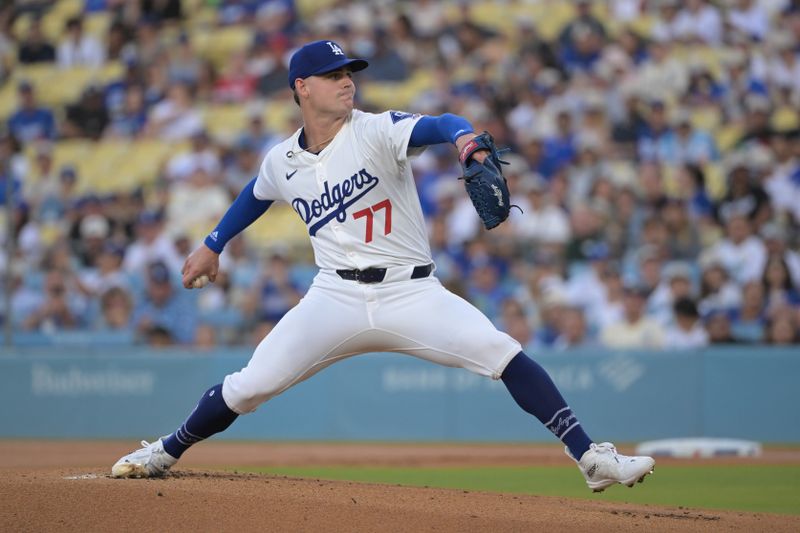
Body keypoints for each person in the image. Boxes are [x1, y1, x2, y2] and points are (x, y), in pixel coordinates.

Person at [112, 40, 655, 491]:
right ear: (302, 87)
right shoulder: (283, 160)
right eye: (331, 74)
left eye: (348, 72)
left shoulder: (375, 130)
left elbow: (439, 123)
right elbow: (256, 195)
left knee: (502, 352)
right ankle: (166, 449)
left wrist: (464, 138)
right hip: (334, 298)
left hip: (412, 293)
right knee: (249, 387)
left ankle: (590, 457)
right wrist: (213, 243)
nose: (346, 80)